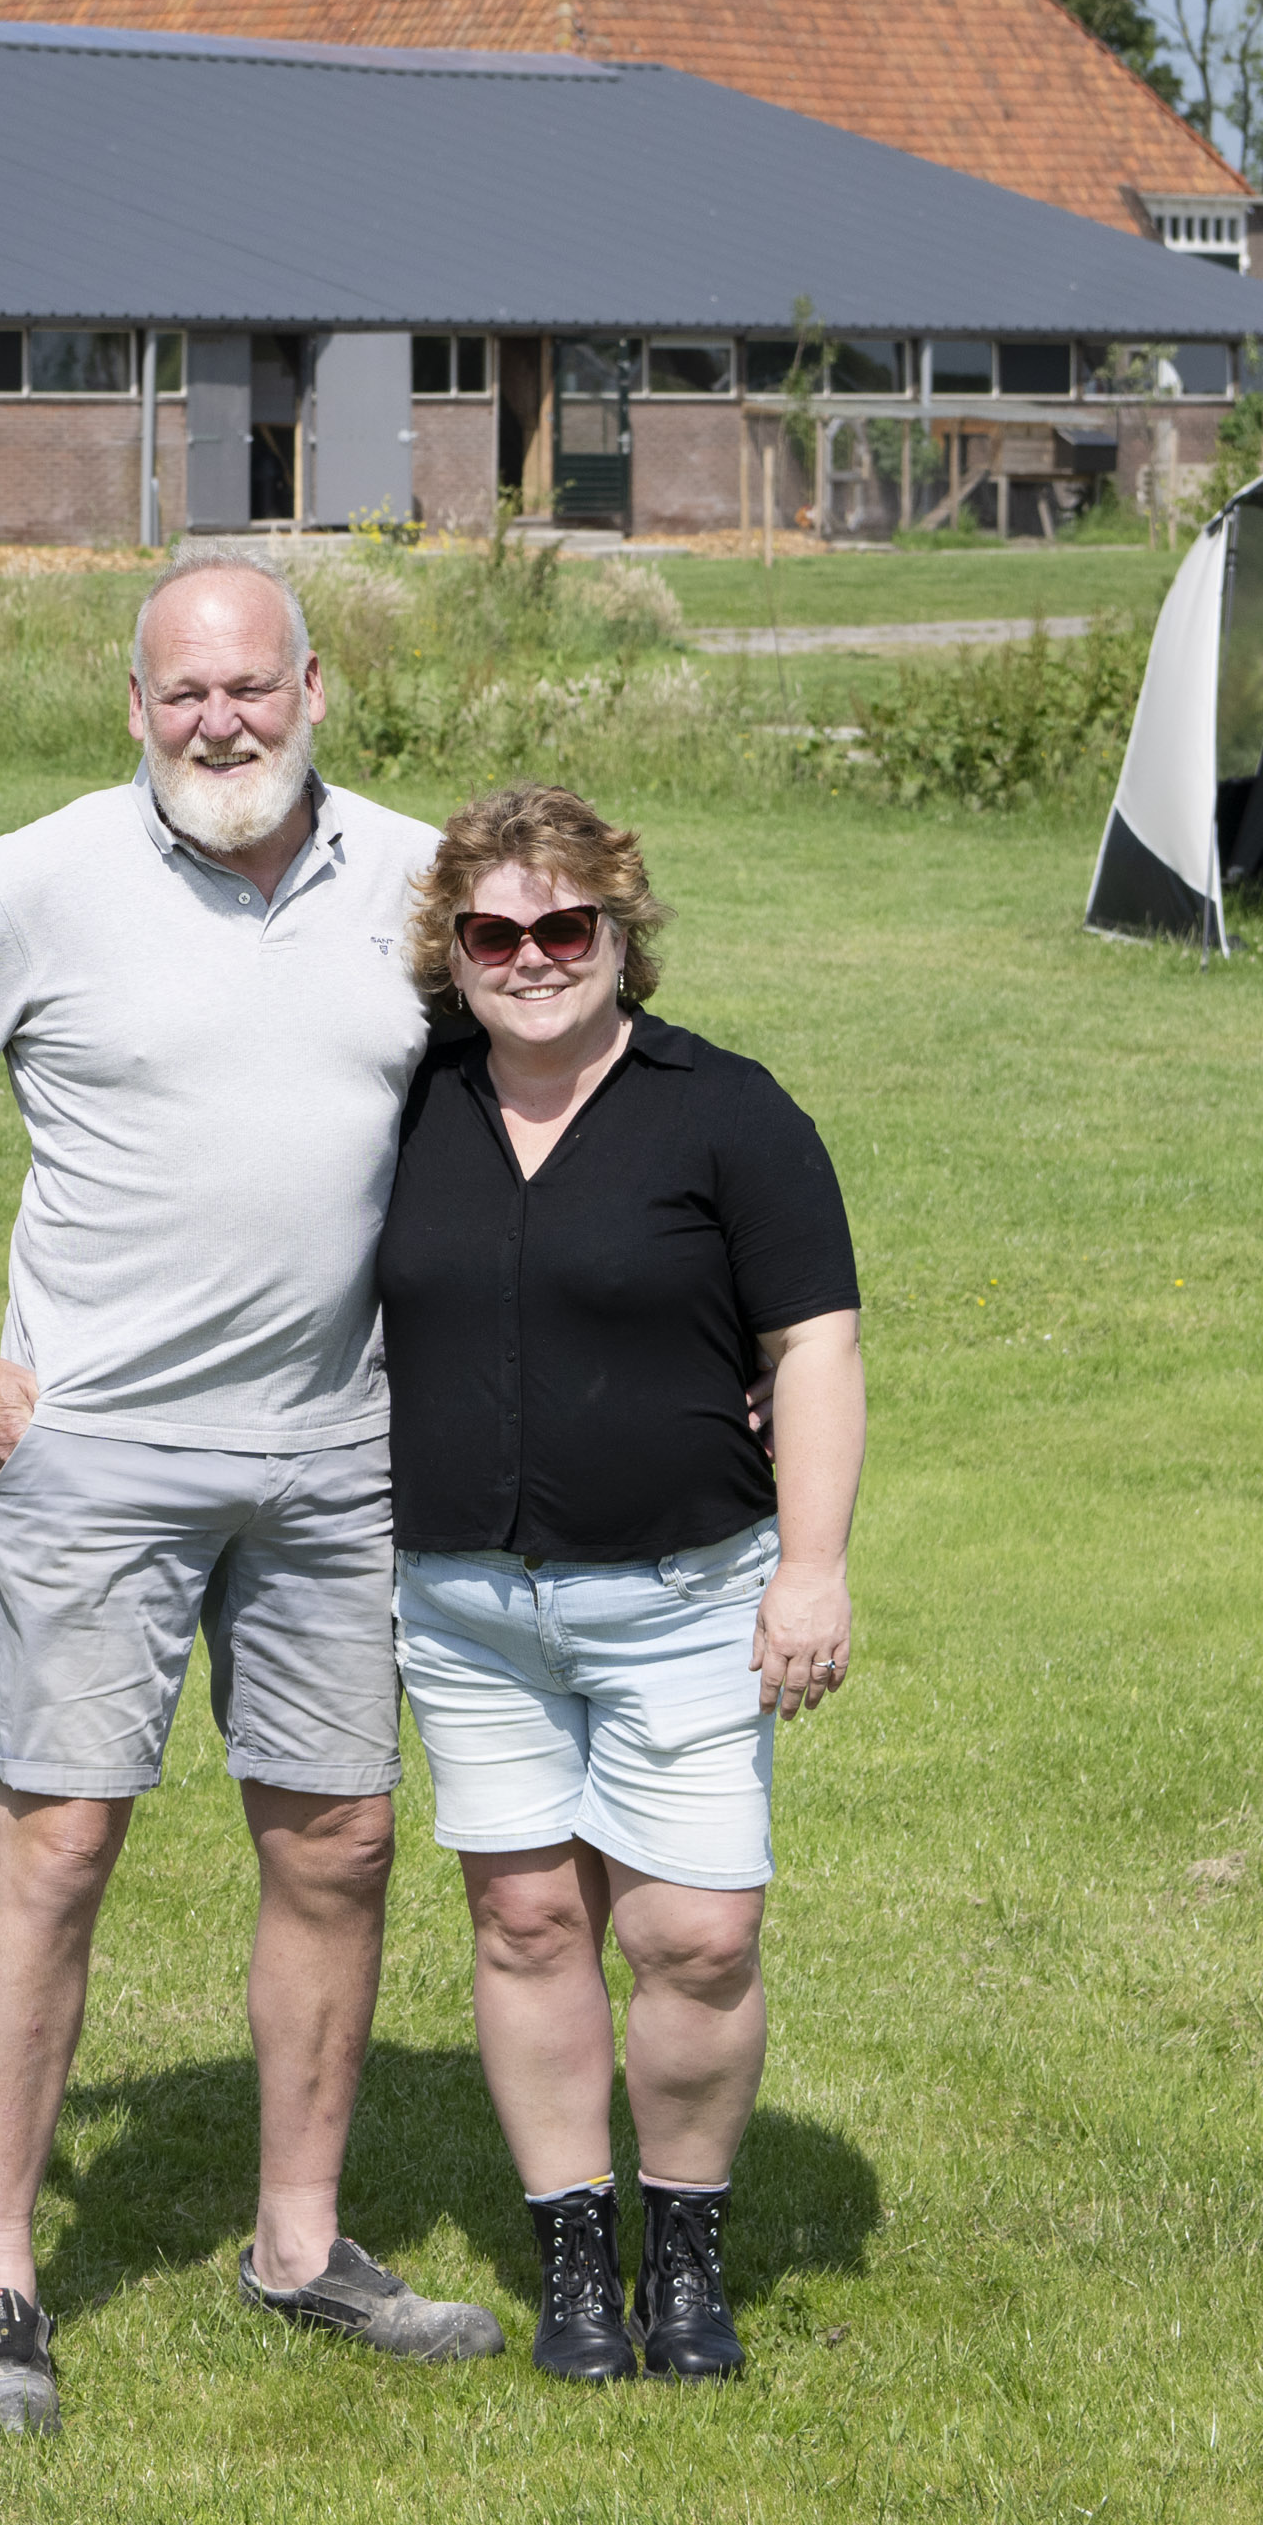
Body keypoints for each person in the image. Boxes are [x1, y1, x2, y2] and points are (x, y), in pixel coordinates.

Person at [0, 559, 504, 2436]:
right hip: (95, 1457)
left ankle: (301, 2242)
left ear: (315, 686)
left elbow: (549, 1081)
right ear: (134, 705)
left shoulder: (416, 880)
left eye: (253, 687)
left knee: (341, 1840)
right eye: (183, 693)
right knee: (61, 1840)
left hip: (335, 1452)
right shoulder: (37, 879)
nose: (222, 723)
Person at [373, 784, 865, 2386]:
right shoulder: (404, 1105)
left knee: (698, 1933)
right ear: (452, 949)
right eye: (495, 930)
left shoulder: (725, 1110)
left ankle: (688, 2247)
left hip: (684, 1598)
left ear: (620, 932)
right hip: (467, 1603)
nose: (531, 955)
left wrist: (813, 1566)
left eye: (564, 924)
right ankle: (575, 2254)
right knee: (525, 1919)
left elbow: (815, 1348)